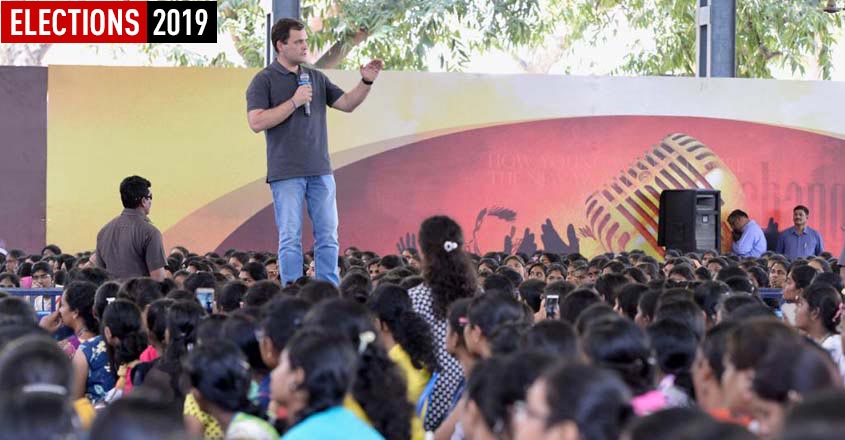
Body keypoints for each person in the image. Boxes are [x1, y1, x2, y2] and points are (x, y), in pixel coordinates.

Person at [246, 17, 383, 287]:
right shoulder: (264, 80)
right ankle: (292, 291)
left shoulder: (315, 77)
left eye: (305, 41)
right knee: (289, 237)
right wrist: (294, 102)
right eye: (298, 42)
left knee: (328, 236)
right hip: (286, 173)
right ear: (280, 45)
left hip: (321, 170)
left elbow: (346, 103)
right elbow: (256, 122)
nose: (305, 47)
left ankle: (327, 290)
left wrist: (365, 82)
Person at [94, 175, 166, 281]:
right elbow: (158, 279)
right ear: (143, 201)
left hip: (110, 295)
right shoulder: (151, 233)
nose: (151, 202)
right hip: (139, 296)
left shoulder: (103, 232)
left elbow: (100, 274)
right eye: (150, 197)